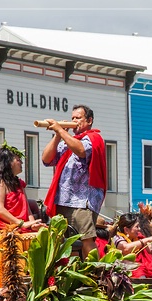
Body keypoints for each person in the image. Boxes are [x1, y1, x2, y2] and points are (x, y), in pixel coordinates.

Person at [41, 105, 107, 259]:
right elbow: (46, 159)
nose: (74, 121)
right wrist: (57, 135)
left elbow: (81, 150)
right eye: (73, 118)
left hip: (82, 201)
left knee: (86, 239)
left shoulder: (93, 138)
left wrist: (61, 130)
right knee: (60, 241)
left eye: (78, 118)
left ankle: (96, 275)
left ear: (89, 121)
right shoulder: (66, 140)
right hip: (63, 199)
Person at [114, 213, 152, 278]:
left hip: (142, 270)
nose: (139, 229)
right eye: (137, 227)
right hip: (124, 272)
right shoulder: (117, 238)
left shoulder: (138, 237)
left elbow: (150, 249)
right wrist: (147, 240)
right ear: (126, 230)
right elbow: (125, 248)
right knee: (140, 272)